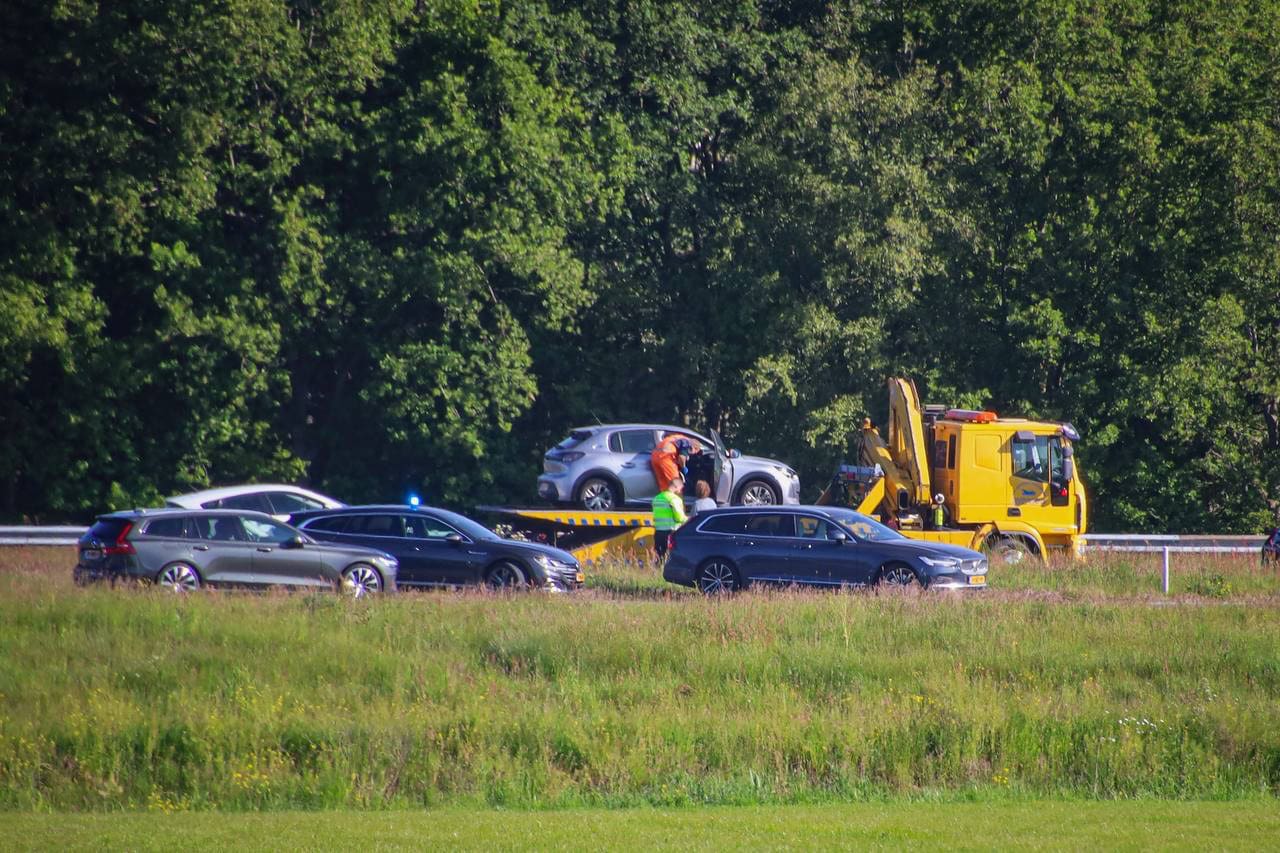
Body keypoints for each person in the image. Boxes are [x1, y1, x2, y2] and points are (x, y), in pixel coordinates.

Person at [651, 474, 687, 559]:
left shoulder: (657, 498)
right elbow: (680, 517)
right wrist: (688, 519)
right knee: (670, 558)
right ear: (676, 486)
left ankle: (658, 571)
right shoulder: (674, 499)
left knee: (659, 557)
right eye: (680, 488)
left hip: (658, 532)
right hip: (671, 532)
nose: (680, 490)